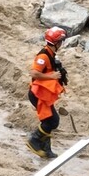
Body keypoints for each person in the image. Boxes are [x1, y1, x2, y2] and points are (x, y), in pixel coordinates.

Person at [27, 27, 68, 159]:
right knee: (52, 121)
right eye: (60, 41)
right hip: (37, 94)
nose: (61, 44)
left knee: (49, 120)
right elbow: (33, 73)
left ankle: (46, 149)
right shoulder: (44, 56)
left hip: (42, 94)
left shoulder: (51, 55)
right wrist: (52, 76)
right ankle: (34, 140)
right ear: (56, 43)